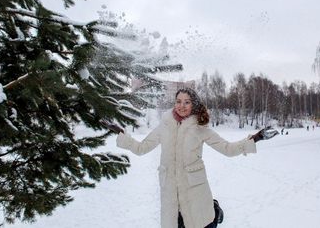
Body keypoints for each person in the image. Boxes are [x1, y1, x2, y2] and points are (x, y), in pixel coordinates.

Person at [112, 88, 262, 228]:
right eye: (178, 101)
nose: (181, 106)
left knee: (200, 221)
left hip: (195, 197)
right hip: (171, 201)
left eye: (187, 102)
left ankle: (213, 209)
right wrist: (122, 135)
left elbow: (228, 149)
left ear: (194, 105)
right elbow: (141, 148)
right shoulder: (164, 126)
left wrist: (255, 139)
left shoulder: (200, 128)